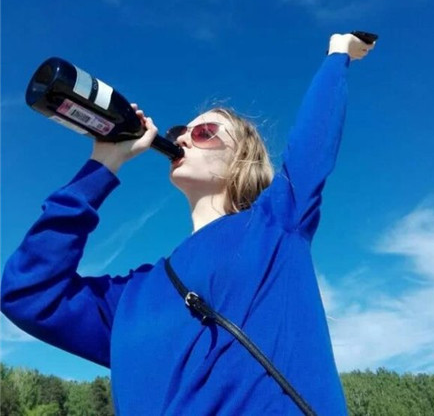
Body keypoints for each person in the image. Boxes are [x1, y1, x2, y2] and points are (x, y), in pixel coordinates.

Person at [1, 33, 375, 415]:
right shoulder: (132, 296)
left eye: (204, 133)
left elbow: (313, 137)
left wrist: (338, 53)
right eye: (179, 132)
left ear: (241, 158)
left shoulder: (275, 225)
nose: (182, 138)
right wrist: (103, 165)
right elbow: (28, 293)